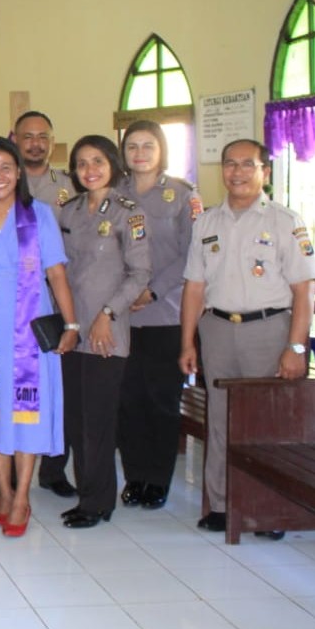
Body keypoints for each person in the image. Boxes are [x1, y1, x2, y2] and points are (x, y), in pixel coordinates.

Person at [179, 139, 315, 535]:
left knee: (266, 422)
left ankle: (266, 506)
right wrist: (187, 342)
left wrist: (295, 347)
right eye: (229, 164)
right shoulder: (206, 222)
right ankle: (221, 504)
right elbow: (194, 287)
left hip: (269, 329)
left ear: (264, 172)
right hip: (219, 329)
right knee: (221, 418)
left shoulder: (284, 220)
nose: (236, 172)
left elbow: (303, 291)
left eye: (247, 164)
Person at [0, 137, 78, 538]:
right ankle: (4, 491)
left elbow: (57, 273)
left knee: (28, 410)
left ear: (18, 172)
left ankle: (22, 496)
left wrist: (72, 325)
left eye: (6, 168)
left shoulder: (39, 214)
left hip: (30, 324)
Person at [57, 135, 151, 529]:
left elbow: (140, 273)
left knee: (98, 421)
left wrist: (108, 313)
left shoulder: (132, 213)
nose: (89, 169)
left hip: (106, 332)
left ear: (112, 164)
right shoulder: (70, 211)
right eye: (81, 163)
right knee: (76, 420)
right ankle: (88, 492)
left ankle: (98, 502)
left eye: (97, 161)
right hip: (71, 330)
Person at [115, 121, 200, 511]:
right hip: (124, 316)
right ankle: (135, 477)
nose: (140, 153)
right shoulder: (114, 195)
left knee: (162, 401)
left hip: (165, 314)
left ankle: (158, 479)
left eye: (148, 145)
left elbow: (190, 253)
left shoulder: (181, 196)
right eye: (132, 146)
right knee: (129, 400)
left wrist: (152, 289)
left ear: (161, 150)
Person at [12, 110, 77, 499]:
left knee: (57, 391)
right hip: (14, 310)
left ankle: (54, 469)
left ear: (51, 142)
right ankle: (15, 466)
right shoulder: (1, 184)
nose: (35, 143)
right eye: (28, 137)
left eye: (43, 137)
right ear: (15, 139)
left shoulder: (69, 188)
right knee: (17, 390)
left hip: (56, 305)